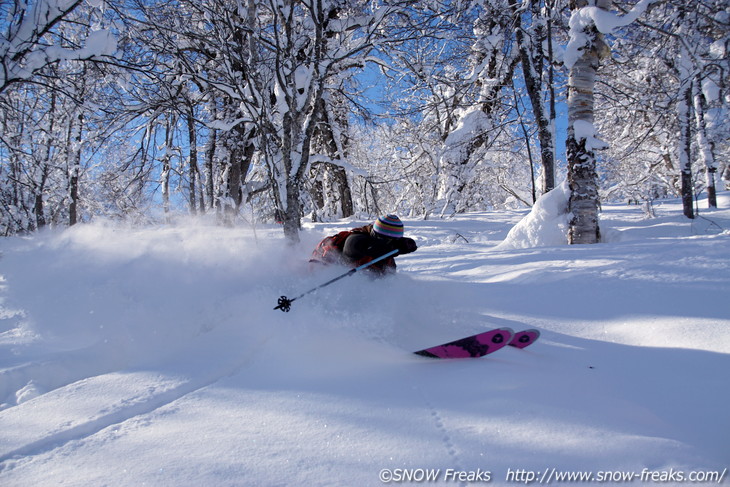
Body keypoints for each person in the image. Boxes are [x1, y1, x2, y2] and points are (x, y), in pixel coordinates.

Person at [309, 214, 418, 275]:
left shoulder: (386, 256)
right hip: (324, 275)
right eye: (384, 239)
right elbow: (367, 247)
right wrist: (395, 247)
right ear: (374, 234)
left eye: (393, 240)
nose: (388, 243)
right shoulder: (355, 240)